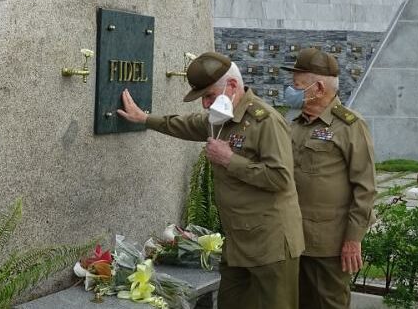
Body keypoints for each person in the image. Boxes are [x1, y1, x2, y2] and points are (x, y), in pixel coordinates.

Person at [118, 52, 304, 309]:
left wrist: (230, 159)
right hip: (238, 242)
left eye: (208, 96)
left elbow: (280, 178)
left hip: (271, 245)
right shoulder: (221, 118)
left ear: (232, 86)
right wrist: (145, 119)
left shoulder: (266, 121)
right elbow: (187, 124)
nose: (205, 105)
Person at [281, 48, 377, 309]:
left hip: (329, 245)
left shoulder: (350, 127)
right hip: (292, 240)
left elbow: (365, 189)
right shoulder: (294, 125)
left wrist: (353, 240)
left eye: (297, 85)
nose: (291, 90)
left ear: (319, 87)